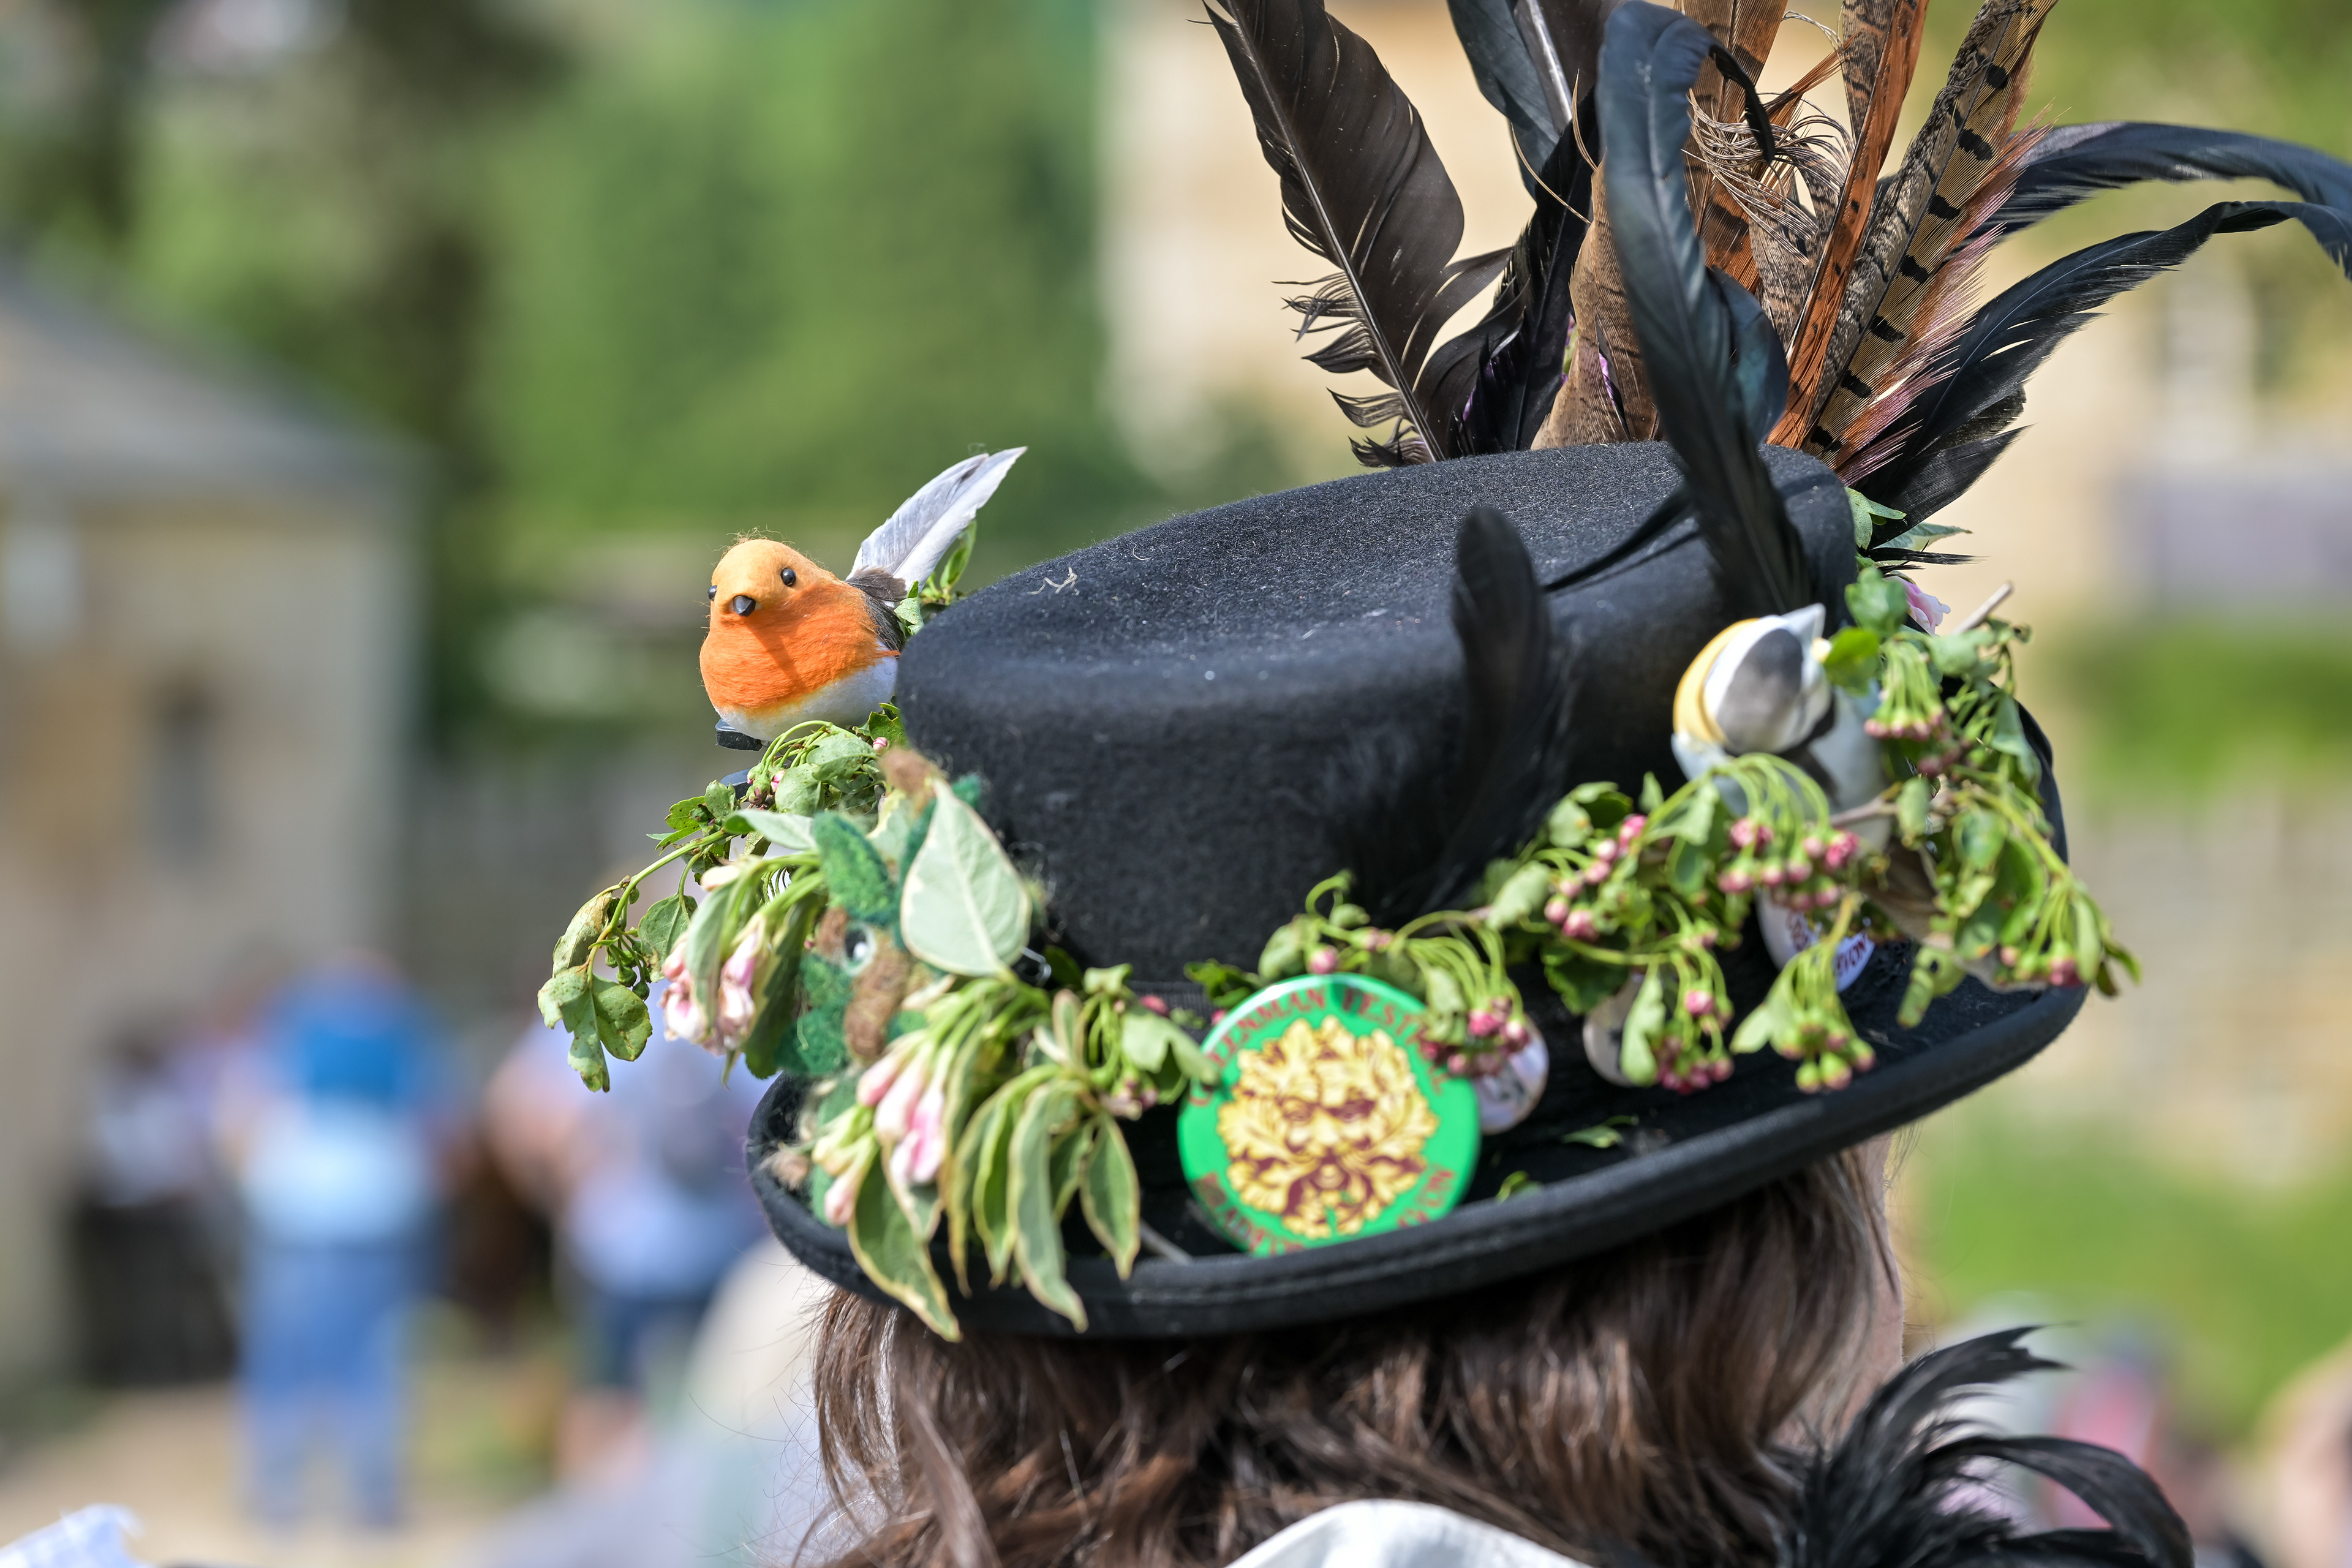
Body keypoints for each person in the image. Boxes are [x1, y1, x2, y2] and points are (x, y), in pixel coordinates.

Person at [483, 988, 766, 1477]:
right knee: (725, 1406)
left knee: (606, 1398)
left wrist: (560, 1201)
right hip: (724, 1245)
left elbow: (514, 1108)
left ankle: (594, 1515)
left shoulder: (612, 998)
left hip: (620, 1246)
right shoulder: (735, 998)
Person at [219, 957, 455, 1528]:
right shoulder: (407, 1032)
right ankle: (373, 1497)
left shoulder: (293, 1027)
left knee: (285, 1358)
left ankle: (276, 1494)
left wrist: (256, 1184)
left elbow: (239, 1118)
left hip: (296, 1215)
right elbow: (445, 1131)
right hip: (382, 1212)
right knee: (373, 1357)